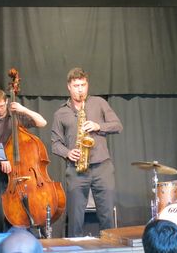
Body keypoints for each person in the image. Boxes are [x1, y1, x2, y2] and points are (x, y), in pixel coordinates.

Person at [51, 67, 123, 237]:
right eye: (76, 85)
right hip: (76, 169)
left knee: (107, 217)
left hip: (102, 167)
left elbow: (118, 125)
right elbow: (55, 144)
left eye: (83, 85)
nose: (80, 89)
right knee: (75, 219)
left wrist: (99, 126)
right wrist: (68, 153)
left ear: (87, 84)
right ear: (69, 86)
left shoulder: (99, 103)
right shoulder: (61, 112)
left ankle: (111, 249)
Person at [0, 89, 47, 239]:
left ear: (7, 102)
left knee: (16, 211)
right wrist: (2, 158)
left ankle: (15, 242)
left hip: (17, 174)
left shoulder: (16, 117)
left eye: (2, 106)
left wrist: (23, 109)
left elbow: (42, 122)